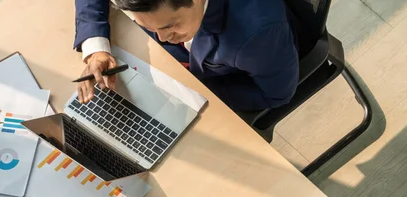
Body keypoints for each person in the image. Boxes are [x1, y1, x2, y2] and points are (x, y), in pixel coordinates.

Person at [74, 0, 299, 113]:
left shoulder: (257, 35)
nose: (161, 38)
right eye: (153, 28)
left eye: (170, 25)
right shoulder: (169, 25)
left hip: (214, 80)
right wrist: (96, 47)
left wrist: (191, 91)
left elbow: (275, 95)